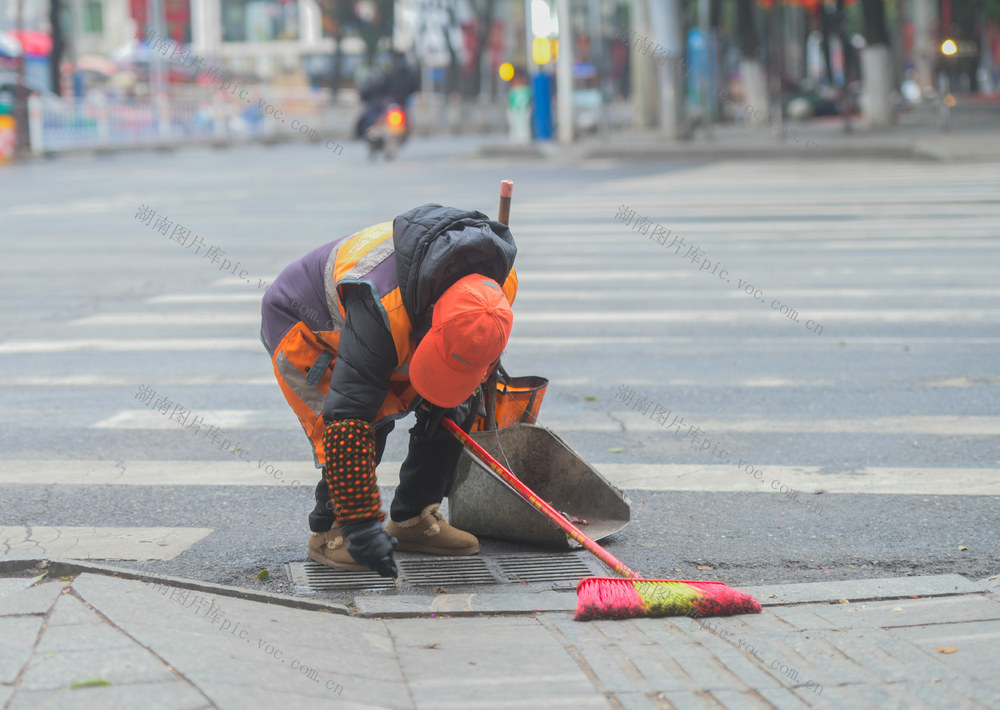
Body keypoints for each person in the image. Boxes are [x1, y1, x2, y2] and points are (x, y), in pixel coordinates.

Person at [260, 204, 517, 578]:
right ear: (430, 325)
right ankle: (331, 530)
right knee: (371, 419)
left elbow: (479, 344)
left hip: (405, 318)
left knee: (456, 403)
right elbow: (348, 416)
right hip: (308, 324)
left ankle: (414, 516)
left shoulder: (498, 288)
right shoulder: (381, 305)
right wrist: (362, 522)